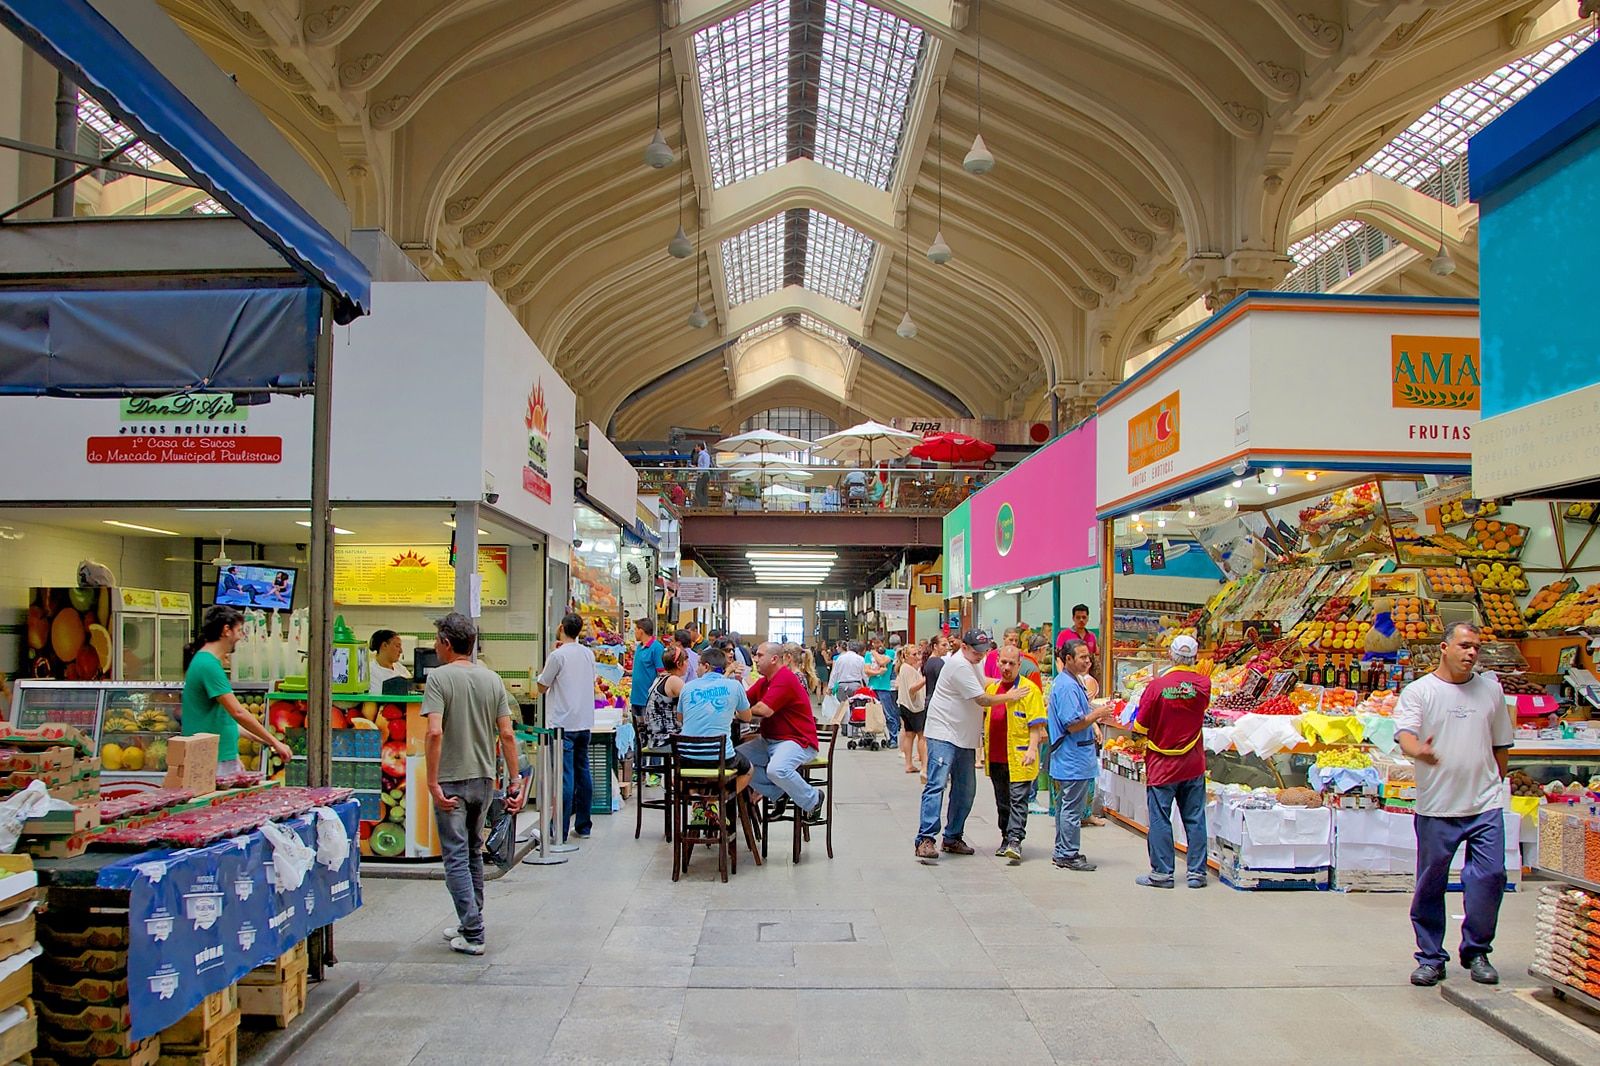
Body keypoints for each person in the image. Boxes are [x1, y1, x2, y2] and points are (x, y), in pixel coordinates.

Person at [1396, 621, 1512, 987]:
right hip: (1437, 806)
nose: (1471, 653)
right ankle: (1431, 957)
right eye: (1464, 646)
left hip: (1485, 803)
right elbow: (1405, 736)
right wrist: (1421, 752)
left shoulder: (1491, 691)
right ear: (1444, 648)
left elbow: (1501, 744)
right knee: (1430, 884)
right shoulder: (1419, 692)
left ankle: (1477, 951)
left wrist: (1497, 780)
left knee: (1490, 876)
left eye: (1476, 647)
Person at [423, 612, 524, 956]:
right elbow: (507, 734)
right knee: (472, 852)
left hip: (451, 779)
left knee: (454, 856)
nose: (435, 646)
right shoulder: (492, 679)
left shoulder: (438, 679)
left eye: (437, 640)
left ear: (447, 644)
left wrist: (432, 780)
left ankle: (474, 931)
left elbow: (434, 731)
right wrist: (515, 779)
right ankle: (470, 920)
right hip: (484, 779)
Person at [914, 630, 1026, 863]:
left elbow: (983, 682)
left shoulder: (975, 661)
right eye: (976, 652)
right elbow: (982, 698)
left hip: (964, 736)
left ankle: (953, 836)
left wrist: (1004, 683)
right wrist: (1011, 695)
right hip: (944, 733)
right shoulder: (958, 665)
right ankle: (925, 839)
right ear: (963, 646)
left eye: (984, 652)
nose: (980, 656)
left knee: (966, 790)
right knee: (937, 784)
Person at [1133, 634, 1211, 889]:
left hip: (1161, 765)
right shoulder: (1203, 685)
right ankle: (1197, 873)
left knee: (1159, 818)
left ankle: (1162, 873)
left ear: (1171, 654)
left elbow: (1140, 725)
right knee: (1195, 817)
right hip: (1192, 763)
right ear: (1194, 657)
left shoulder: (1156, 687)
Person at [182, 605, 293, 774]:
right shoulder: (208, 665)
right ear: (226, 630)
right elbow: (238, 712)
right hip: (211, 759)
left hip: (220, 756)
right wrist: (275, 741)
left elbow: (224, 721)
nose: (241, 637)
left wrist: (268, 742)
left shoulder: (205, 662)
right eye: (239, 631)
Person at [1049, 640, 1115, 871]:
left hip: (1074, 756)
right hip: (1071, 757)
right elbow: (1073, 723)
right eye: (1082, 657)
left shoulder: (1072, 682)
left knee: (1067, 805)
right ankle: (1067, 853)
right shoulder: (1066, 686)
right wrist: (1098, 713)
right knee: (1071, 807)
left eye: (1089, 657)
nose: (1087, 661)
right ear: (1068, 659)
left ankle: (1063, 850)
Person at [739, 642, 823, 821]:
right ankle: (779, 792)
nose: (755, 659)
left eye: (760, 655)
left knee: (777, 769)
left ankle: (813, 799)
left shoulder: (785, 678)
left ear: (774, 659)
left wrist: (739, 711)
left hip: (797, 741)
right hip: (769, 741)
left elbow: (764, 710)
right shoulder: (764, 682)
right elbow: (743, 699)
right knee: (733, 761)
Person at [984, 645, 1048, 864]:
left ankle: (1015, 841)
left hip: (1020, 757)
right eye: (1003, 662)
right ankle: (1005, 837)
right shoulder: (993, 691)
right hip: (996, 756)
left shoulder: (1030, 690)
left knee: (1018, 800)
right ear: (997, 662)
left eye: (1012, 663)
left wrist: (1032, 748)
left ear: (1019, 665)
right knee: (1002, 801)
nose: (1007, 667)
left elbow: (1036, 724)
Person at [536, 613, 598, 842]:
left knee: (565, 776)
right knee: (583, 773)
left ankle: (559, 829)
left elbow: (542, 686)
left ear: (561, 627)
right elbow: (591, 681)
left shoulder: (557, 655)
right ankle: (584, 825)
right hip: (584, 722)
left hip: (562, 724)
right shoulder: (588, 654)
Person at [677, 647, 754, 792]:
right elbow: (747, 717)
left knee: (680, 776)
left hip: (687, 756)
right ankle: (718, 801)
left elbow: (681, 718)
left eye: (698, 664)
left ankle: (697, 802)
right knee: (748, 769)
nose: (696, 669)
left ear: (706, 666)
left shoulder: (687, 687)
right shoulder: (735, 686)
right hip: (721, 757)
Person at [641, 645, 689, 750]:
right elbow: (693, 702)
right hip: (665, 740)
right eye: (686, 661)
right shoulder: (674, 681)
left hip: (654, 738)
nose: (688, 664)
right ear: (679, 664)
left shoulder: (660, 678)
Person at [895, 643, 928, 775]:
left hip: (905, 705)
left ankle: (909, 763)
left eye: (918, 654)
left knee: (909, 734)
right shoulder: (908, 669)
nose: (917, 657)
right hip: (914, 707)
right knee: (921, 735)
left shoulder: (905, 668)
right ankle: (924, 764)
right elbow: (912, 689)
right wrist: (924, 681)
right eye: (914, 654)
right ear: (906, 656)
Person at [866, 636, 899, 749]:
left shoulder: (890, 653)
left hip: (885, 688)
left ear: (884, 642)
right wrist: (879, 672)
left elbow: (883, 661)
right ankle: (870, 736)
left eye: (879, 642)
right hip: (872, 687)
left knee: (889, 714)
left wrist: (874, 654)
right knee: (871, 713)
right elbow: (867, 671)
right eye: (874, 643)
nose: (877, 645)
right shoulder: (867, 655)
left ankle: (893, 738)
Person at [629, 618, 664, 720]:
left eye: (635, 629)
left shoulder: (657, 648)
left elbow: (661, 673)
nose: (634, 632)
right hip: (636, 698)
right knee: (638, 731)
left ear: (641, 630)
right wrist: (628, 672)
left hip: (648, 700)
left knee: (647, 732)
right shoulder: (639, 647)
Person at [368, 629, 410, 694]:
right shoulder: (371, 672)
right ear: (384, 645)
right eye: (397, 646)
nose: (401, 651)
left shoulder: (399, 667)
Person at [693, 442, 713, 506]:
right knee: (703, 491)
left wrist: (701, 472)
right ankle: (704, 506)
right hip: (703, 473)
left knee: (698, 491)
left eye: (696, 447)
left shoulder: (705, 455)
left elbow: (706, 465)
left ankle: (703, 505)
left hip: (703, 474)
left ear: (699, 447)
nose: (695, 448)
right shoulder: (702, 455)